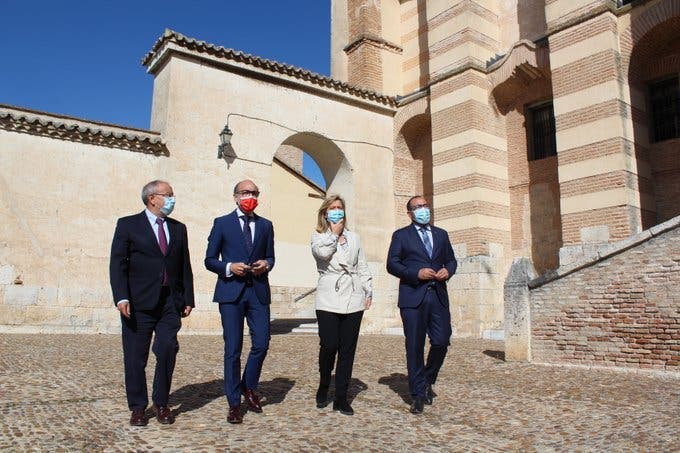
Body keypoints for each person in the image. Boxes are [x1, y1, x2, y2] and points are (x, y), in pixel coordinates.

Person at [109, 180, 194, 426]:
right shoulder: (128, 225)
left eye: (172, 194)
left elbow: (184, 265)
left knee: (168, 348)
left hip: (169, 301)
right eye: (168, 195)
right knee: (136, 356)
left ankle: (161, 402)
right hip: (138, 302)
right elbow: (118, 263)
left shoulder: (179, 228)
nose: (172, 198)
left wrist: (188, 297)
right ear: (152, 198)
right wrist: (121, 296)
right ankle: (137, 407)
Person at [205, 179, 275, 424]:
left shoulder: (266, 225)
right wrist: (228, 267)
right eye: (246, 192)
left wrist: (265, 264)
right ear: (235, 196)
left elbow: (271, 257)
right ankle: (234, 402)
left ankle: (249, 385)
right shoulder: (222, 223)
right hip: (230, 292)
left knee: (262, 343)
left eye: (254, 192)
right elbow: (210, 259)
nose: (250, 196)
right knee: (232, 349)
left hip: (257, 292)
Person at [386, 195, 457, 414]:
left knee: (442, 341)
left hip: (438, 296)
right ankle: (417, 394)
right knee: (414, 346)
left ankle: (427, 379)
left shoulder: (441, 234)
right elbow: (392, 264)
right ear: (410, 213)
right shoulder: (401, 236)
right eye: (418, 207)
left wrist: (449, 270)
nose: (423, 209)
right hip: (412, 297)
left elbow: (452, 260)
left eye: (425, 205)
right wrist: (415, 273)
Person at [310, 195, 372, 416]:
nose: (337, 211)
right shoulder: (318, 237)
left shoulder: (354, 238)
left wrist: (368, 289)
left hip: (353, 295)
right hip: (328, 295)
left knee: (347, 350)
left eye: (340, 208)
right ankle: (324, 382)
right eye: (333, 208)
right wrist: (334, 235)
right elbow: (323, 254)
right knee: (329, 345)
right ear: (325, 213)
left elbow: (362, 265)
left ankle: (341, 398)